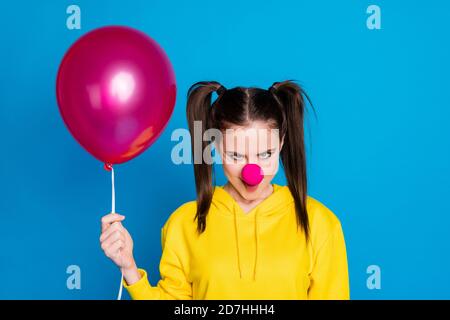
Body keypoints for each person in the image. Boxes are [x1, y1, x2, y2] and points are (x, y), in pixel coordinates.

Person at [100, 80, 350, 299]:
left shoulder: (320, 223)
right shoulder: (183, 222)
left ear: (282, 142)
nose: (252, 172)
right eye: (236, 155)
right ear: (216, 147)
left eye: (265, 154)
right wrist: (129, 268)